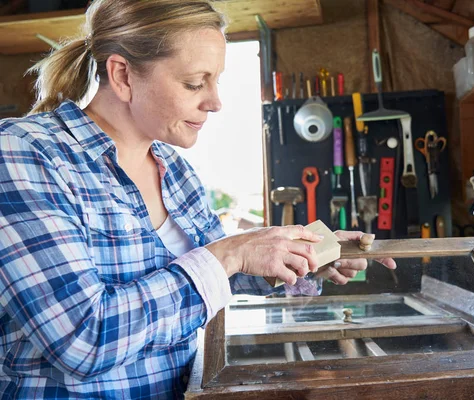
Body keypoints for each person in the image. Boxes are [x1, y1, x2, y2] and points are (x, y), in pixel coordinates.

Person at [0, 1, 396, 398]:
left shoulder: (175, 169)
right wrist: (230, 253)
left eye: (216, 81)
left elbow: (222, 276)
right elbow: (82, 338)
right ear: (122, 75)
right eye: (194, 83)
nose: (215, 102)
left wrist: (304, 257)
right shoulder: (24, 153)